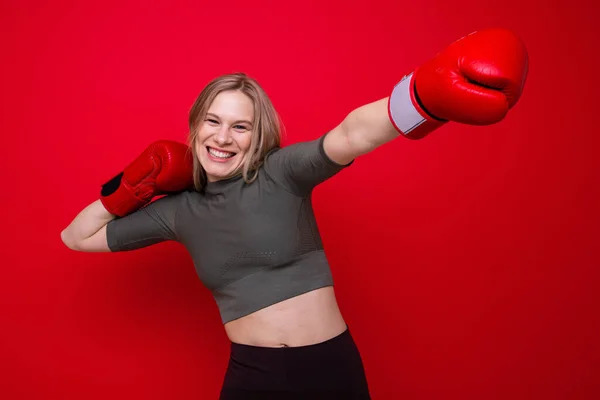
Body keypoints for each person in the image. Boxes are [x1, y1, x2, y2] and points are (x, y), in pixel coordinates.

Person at [61, 28, 528, 399]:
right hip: (252, 376)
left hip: (329, 369)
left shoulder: (280, 173)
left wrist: (421, 97)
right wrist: (129, 188)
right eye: (213, 122)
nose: (223, 138)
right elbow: (76, 237)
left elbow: (348, 136)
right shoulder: (177, 212)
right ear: (195, 126)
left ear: (256, 133)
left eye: (240, 126)